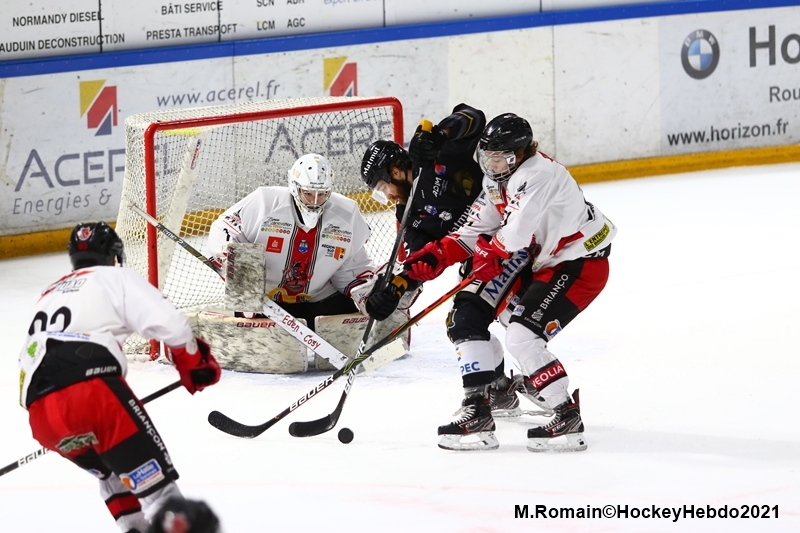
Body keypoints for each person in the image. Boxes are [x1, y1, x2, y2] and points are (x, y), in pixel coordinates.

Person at [376, 113, 616, 452]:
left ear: (520, 152)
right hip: (545, 261)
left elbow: (514, 234)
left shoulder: (539, 175)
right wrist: (419, 266)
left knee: (522, 335)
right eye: (486, 157)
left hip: (579, 263)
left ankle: (565, 414)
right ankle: (499, 396)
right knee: (491, 321)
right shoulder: (496, 180)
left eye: (500, 157)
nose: (491, 164)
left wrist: (490, 253)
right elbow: (472, 230)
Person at [18, 222, 221, 533]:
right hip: (93, 397)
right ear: (114, 256)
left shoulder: (49, 292)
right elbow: (173, 325)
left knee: (116, 476)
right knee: (164, 502)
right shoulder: (115, 277)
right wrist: (193, 364)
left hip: (42, 417)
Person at [362, 105, 530, 417]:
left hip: (522, 232)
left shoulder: (434, 154)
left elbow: (473, 117)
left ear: (396, 171)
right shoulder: (407, 214)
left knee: (522, 319)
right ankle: (498, 388)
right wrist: (395, 289)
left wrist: (441, 133)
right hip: (483, 257)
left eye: (383, 187)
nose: (387, 196)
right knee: (466, 322)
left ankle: (540, 374)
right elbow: (418, 261)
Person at [206, 153, 376, 330]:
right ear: (295, 187)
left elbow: (353, 264)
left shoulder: (346, 214)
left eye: (322, 194)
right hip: (266, 303)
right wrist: (229, 258)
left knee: (354, 335)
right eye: (308, 193)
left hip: (321, 299)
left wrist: (367, 295)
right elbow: (223, 228)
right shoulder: (265, 202)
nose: (315, 202)